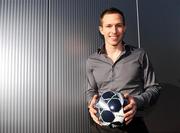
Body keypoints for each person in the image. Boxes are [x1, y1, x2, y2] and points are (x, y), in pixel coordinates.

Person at [86, 7, 161, 133]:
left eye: (118, 25)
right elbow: (91, 90)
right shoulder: (91, 60)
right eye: (109, 26)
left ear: (124, 28)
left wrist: (136, 101)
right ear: (101, 30)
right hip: (101, 125)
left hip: (132, 124)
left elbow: (154, 88)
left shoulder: (139, 55)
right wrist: (90, 103)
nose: (114, 31)